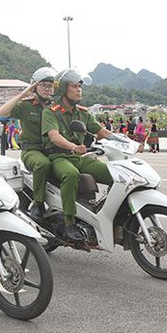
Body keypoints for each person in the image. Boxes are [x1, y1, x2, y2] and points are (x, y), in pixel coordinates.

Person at [41, 68, 115, 242]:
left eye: (80, 86)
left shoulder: (83, 113)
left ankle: (105, 215)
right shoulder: (50, 111)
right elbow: (54, 136)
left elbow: (102, 132)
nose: (79, 89)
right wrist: (73, 146)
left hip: (79, 157)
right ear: (63, 89)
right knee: (71, 174)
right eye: (74, 86)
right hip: (58, 157)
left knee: (114, 174)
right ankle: (69, 223)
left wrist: (127, 141)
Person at [0, 66, 56, 221]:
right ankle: (38, 204)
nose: (47, 89)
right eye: (43, 85)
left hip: (53, 149)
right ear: (34, 86)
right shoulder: (26, 105)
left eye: (50, 86)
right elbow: (2, 112)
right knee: (42, 164)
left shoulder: (55, 107)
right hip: (32, 150)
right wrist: (24, 93)